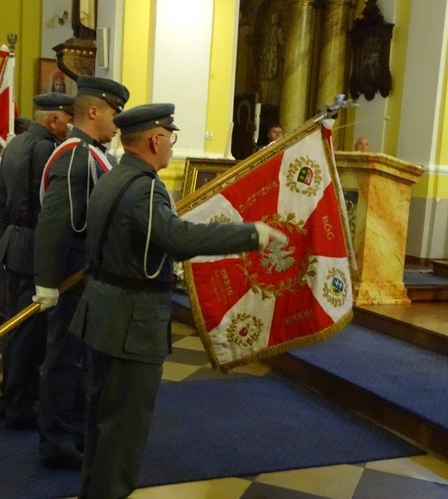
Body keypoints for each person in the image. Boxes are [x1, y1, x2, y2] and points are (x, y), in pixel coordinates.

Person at [69, 103, 286, 498]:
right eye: (170, 137)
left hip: (105, 314)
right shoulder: (143, 187)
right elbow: (179, 240)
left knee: (103, 421)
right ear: (155, 139)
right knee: (124, 431)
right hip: (130, 323)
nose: (170, 145)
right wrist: (250, 234)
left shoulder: (115, 175)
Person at [33, 76, 130, 469]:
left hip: (86, 276)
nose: (117, 121)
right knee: (63, 361)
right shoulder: (76, 156)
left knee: (78, 362)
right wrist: (46, 281)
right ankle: (56, 444)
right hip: (71, 278)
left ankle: (74, 433)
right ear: (93, 112)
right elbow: (56, 222)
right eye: (114, 112)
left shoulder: (93, 153)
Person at [0, 94, 75, 430]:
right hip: (34, 245)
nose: (71, 125)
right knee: (29, 333)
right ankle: (20, 404)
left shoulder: (15, 144)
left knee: (15, 328)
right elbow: (46, 207)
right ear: (54, 119)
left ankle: (8, 396)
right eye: (69, 118)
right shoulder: (46, 149)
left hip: (14, 241)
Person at [0, 117, 34, 327]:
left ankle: (22, 308)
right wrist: (9, 172)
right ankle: (1, 310)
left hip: (25, 217)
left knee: (24, 265)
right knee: (0, 265)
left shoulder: (32, 154)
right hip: (1, 215)